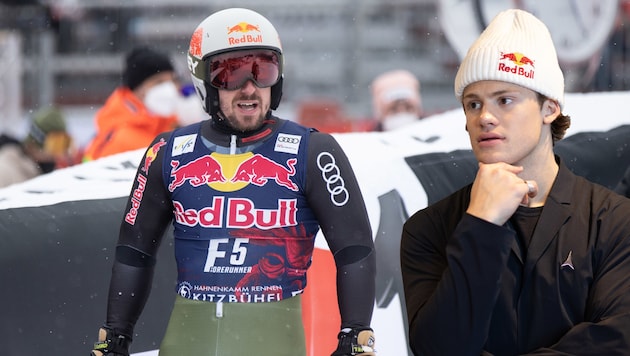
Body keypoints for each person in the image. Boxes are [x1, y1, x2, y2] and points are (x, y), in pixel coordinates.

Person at [90, 8, 376, 356]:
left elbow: (355, 249)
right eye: (231, 73)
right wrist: (115, 336)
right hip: (187, 341)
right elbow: (134, 250)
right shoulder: (168, 151)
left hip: (274, 341)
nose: (249, 88)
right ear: (204, 82)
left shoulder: (313, 151)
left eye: (263, 70)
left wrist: (355, 335)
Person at [400, 9, 630, 355]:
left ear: (549, 108)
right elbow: (440, 348)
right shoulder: (429, 229)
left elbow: (617, 341)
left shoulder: (614, 221)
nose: (485, 118)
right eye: (473, 104)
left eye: (505, 100)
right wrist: (481, 224)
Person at [82, 46, 180, 161]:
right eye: (159, 82)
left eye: (173, 80)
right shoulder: (118, 138)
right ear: (137, 88)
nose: (170, 88)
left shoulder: (175, 125)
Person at [0, 106, 73, 188]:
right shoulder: (4, 172)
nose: (57, 154)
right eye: (55, 144)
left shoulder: (49, 174)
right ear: (35, 142)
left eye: (63, 144)